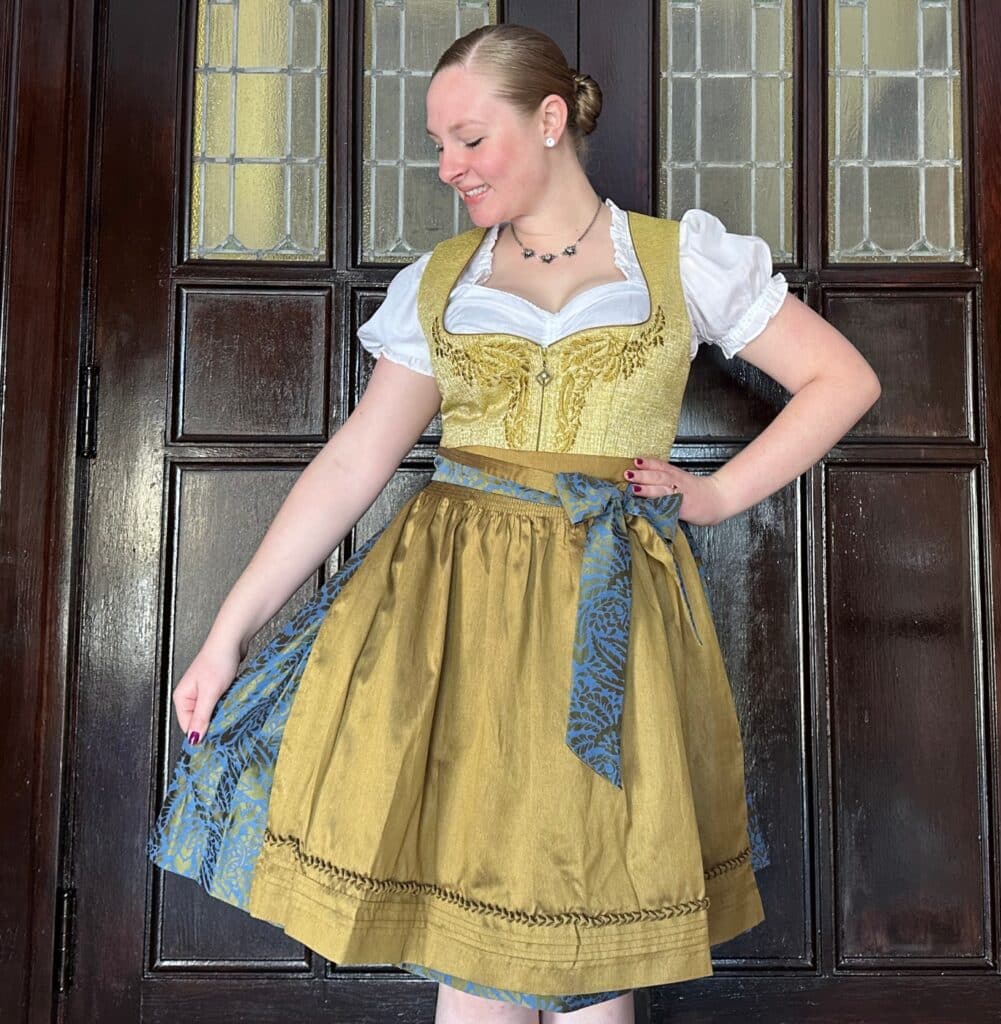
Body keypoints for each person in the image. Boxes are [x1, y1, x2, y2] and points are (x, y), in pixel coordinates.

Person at [147, 22, 881, 1024]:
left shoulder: (677, 263)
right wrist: (227, 631)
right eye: (437, 146)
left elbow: (841, 380)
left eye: (468, 139)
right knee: (469, 928)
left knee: (590, 929)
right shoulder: (443, 282)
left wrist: (712, 495)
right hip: (450, 623)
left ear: (547, 122)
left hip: (606, 614)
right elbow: (355, 460)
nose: (449, 167)